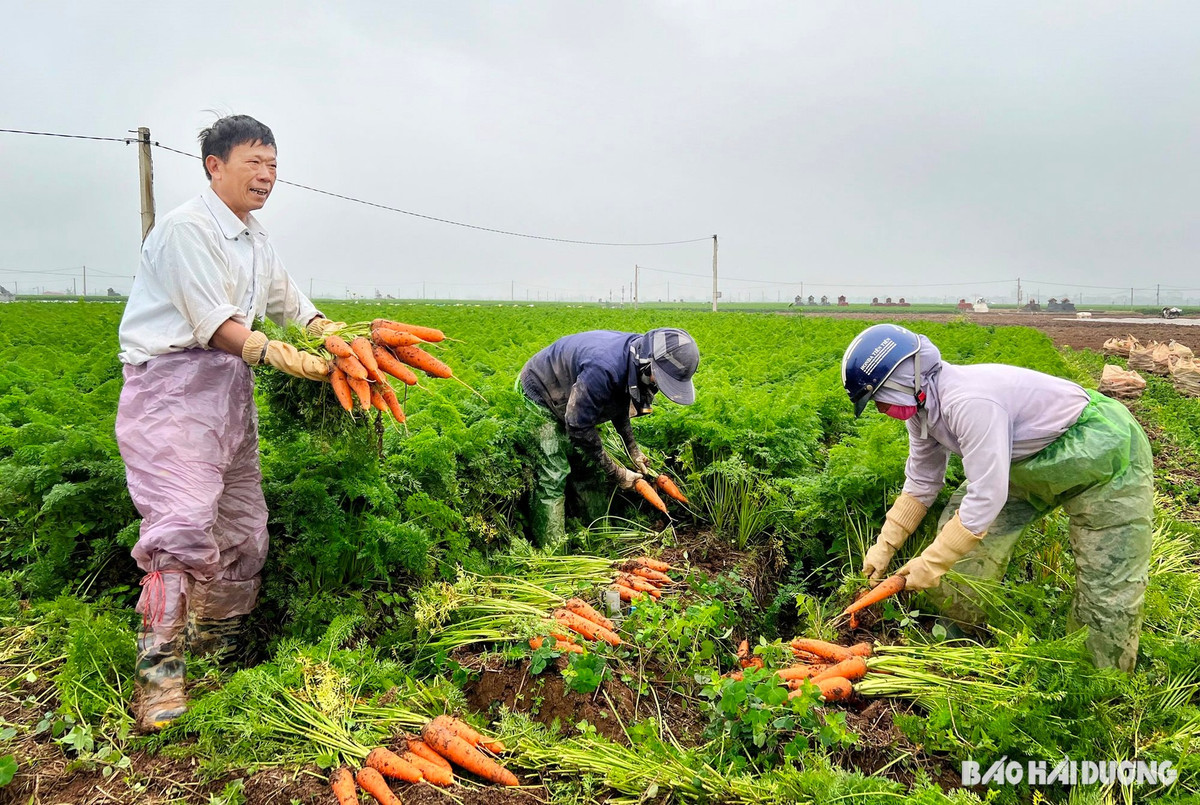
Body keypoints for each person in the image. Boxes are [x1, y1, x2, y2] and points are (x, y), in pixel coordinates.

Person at [115, 115, 342, 731]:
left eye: (273, 165)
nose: (267, 177)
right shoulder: (187, 230)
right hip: (172, 393)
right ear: (214, 165)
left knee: (244, 532)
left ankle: (217, 655)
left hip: (227, 395)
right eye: (254, 164)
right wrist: (273, 352)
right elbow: (215, 324)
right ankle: (160, 683)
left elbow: (288, 300)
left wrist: (333, 336)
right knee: (182, 527)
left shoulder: (254, 237)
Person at [841, 323, 1153, 671]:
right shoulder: (922, 412)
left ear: (901, 381)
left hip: (1103, 449)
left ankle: (1098, 677)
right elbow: (922, 481)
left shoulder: (969, 402)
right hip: (1026, 460)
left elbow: (987, 496)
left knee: (1107, 573)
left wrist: (930, 564)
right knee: (961, 544)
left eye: (879, 398)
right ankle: (956, 638)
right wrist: (885, 546)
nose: (880, 409)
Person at [516, 328, 700, 545]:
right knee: (554, 472)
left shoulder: (637, 361)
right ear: (650, 364)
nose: (660, 384)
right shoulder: (604, 368)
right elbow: (577, 426)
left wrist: (633, 449)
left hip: (578, 396)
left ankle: (596, 538)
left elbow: (617, 403)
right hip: (541, 390)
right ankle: (553, 552)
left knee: (588, 468)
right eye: (661, 379)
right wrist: (618, 474)